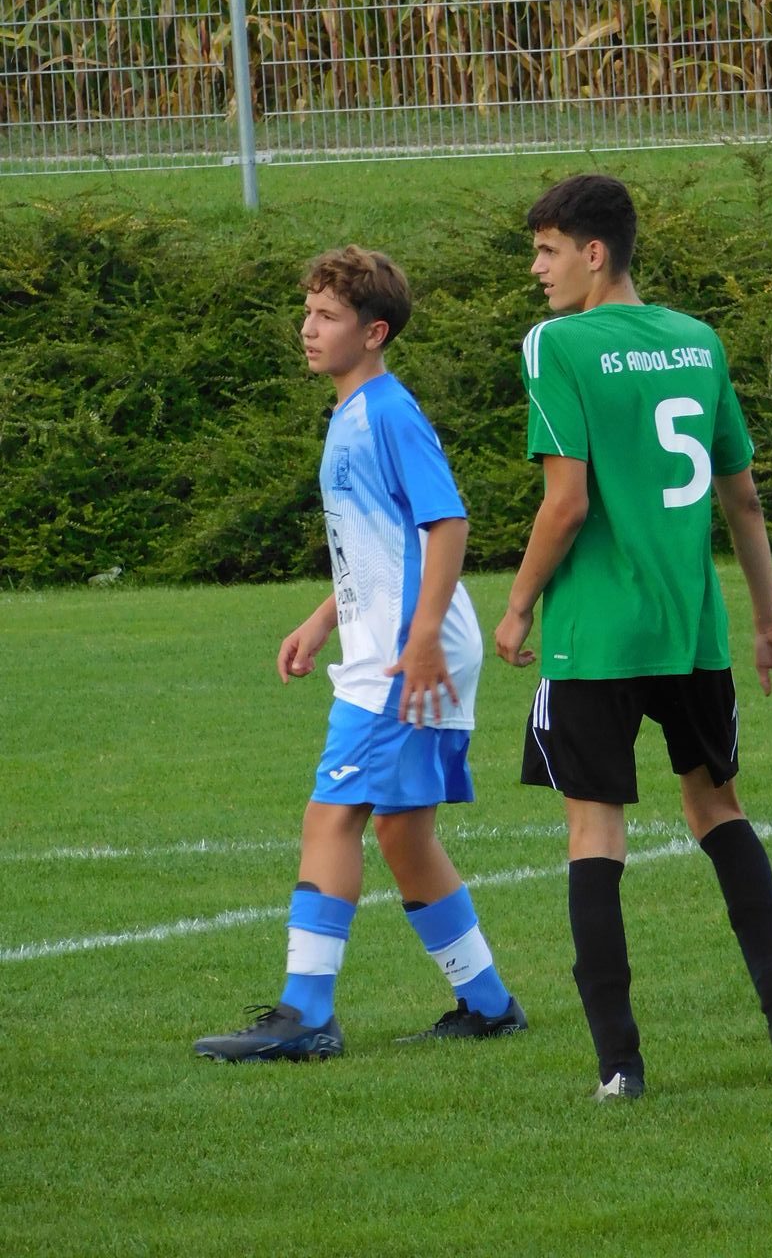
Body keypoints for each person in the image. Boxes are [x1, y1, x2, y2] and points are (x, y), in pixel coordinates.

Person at [494, 173, 772, 1101]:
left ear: (594, 253)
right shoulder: (698, 340)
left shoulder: (557, 344)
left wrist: (517, 605)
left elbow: (567, 503)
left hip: (598, 634)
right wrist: (769, 622)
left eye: (547, 251)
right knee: (719, 810)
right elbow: (743, 498)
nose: (537, 269)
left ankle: (620, 1067)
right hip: (692, 630)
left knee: (595, 832)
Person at [195, 245, 524, 1062]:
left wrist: (420, 640)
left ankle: (306, 1013)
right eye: (307, 312)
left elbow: (447, 523)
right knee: (404, 835)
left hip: (407, 652)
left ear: (374, 332)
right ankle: (489, 1005)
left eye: (327, 316)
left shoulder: (387, 412)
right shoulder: (352, 413)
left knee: (331, 816)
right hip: (398, 641)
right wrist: (323, 620)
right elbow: (379, 546)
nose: (308, 329)